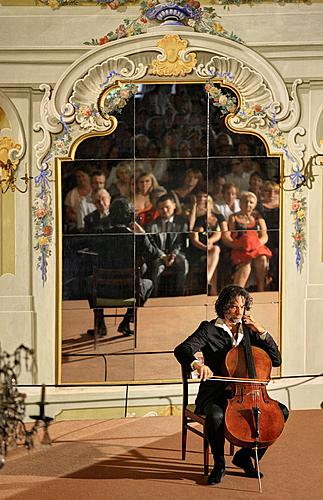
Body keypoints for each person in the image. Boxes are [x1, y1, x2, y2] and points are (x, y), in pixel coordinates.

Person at [174, 284, 289, 485]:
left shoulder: (251, 332)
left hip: (250, 395)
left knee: (281, 412)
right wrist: (197, 364)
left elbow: (276, 360)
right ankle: (219, 464)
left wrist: (262, 332)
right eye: (234, 306)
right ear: (224, 306)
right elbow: (182, 349)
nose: (239, 311)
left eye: (243, 307)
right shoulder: (209, 329)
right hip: (215, 394)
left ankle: (245, 456)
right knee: (216, 415)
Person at [88, 198, 162, 337]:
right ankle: (127, 320)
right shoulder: (138, 238)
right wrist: (142, 233)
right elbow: (155, 254)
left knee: (89, 281)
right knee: (149, 283)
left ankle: (100, 324)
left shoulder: (102, 236)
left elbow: (88, 253)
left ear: (111, 217)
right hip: (130, 292)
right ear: (131, 218)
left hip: (104, 291)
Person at [222, 191, 272, 292]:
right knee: (246, 263)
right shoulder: (233, 217)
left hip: (256, 247)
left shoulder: (258, 218)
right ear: (240, 203)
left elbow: (264, 236)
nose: (248, 204)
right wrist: (237, 245)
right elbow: (229, 236)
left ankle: (261, 289)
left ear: (254, 205)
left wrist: (255, 245)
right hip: (240, 248)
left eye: (251, 202)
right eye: (245, 202)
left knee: (262, 258)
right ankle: (238, 292)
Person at [146, 193, 189, 297]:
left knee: (183, 263)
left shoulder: (182, 223)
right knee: (156, 266)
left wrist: (173, 255)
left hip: (176, 254)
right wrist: (163, 256)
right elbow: (152, 244)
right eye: (161, 208)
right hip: (159, 255)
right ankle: (154, 297)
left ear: (174, 205)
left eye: (167, 207)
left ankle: (179, 296)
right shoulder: (152, 225)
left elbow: (180, 242)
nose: (164, 210)